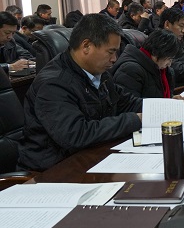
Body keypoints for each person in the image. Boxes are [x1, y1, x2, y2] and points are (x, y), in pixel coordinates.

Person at [18, 14, 142, 171]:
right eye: (110, 52)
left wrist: (163, 108)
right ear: (86, 46)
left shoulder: (99, 73)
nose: (114, 59)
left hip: (90, 158)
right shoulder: (53, 84)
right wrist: (135, 120)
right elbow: (76, 135)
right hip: (53, 171)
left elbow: (127, 102)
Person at [110, 29, 180, 99]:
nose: (169, 64)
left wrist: (172, 99)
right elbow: (129, 103)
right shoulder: (131, 70)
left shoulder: (162, 70)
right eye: (168, 59)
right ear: (156, 53)